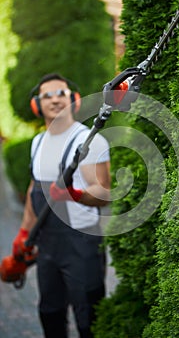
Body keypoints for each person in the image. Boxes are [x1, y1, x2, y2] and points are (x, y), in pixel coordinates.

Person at [12, 73, 111, 338]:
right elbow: (35, 190)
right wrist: (23, 234)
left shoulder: (88, 141)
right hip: (48, 246)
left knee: (89, 319)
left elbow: (103, 192)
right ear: (37, 105)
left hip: (82, 244)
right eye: (47, 95)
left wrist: (75, 194)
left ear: (73, 100)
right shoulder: (37, 143)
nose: (55, 99)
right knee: (50, 314)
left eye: (61, 94)